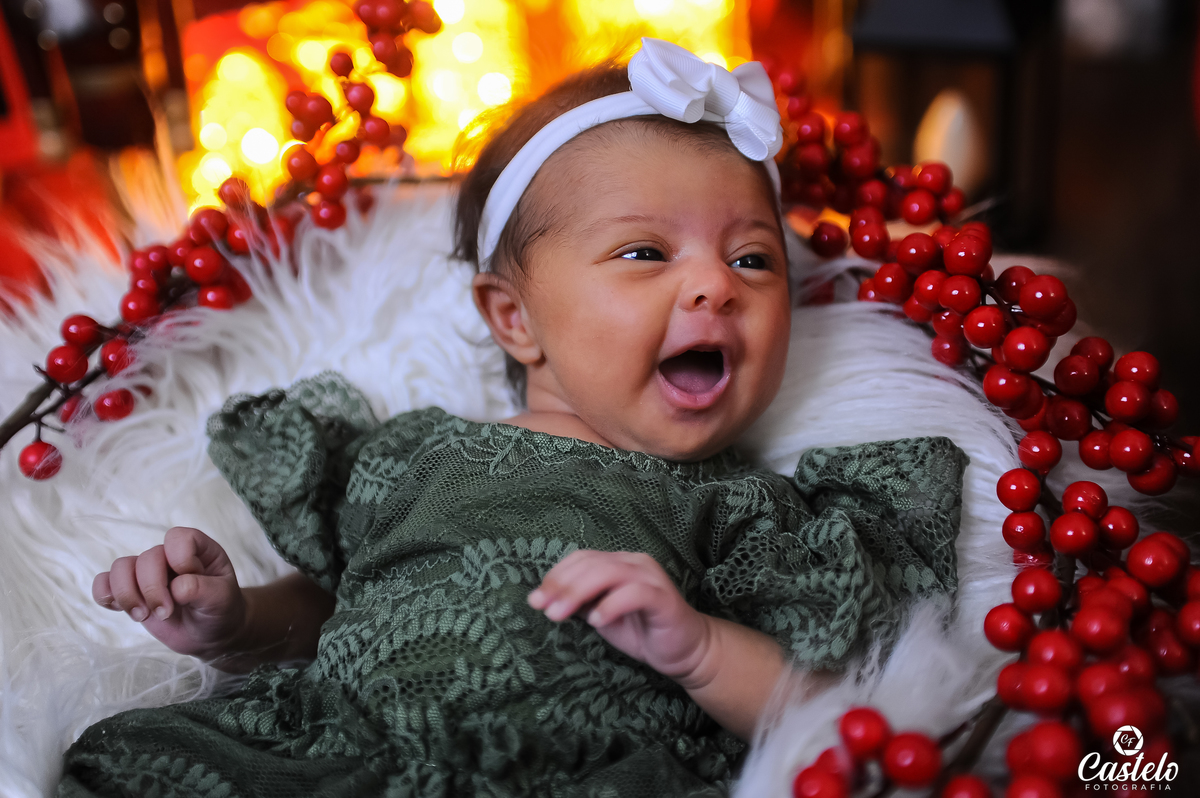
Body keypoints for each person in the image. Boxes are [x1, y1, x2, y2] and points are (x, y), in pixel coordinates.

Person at [59, 39, 968, 797]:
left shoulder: (745, 511)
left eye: (754, 261)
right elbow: (336, 604)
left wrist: (699, 652)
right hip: (339, 750)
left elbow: (815, 706)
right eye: (644, 252)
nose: (714, 285)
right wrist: (234, 624)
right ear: (515, 319)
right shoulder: (410, 455)